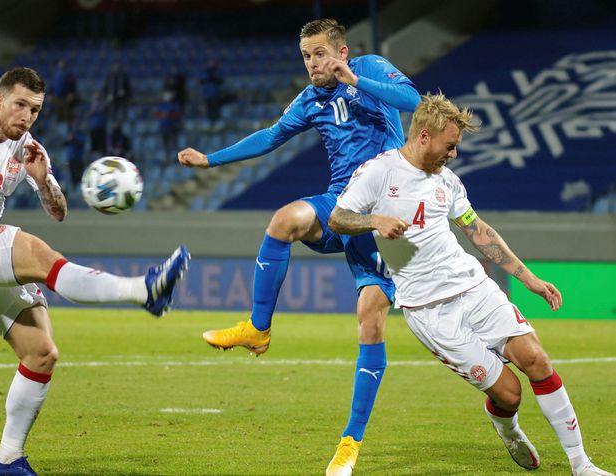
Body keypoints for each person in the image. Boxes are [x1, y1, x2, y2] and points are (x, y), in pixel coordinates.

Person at [0, 67, 191, 476]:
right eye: (20, 106)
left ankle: (8, 460)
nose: (27, 117)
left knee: (41, 353)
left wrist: (44, 182)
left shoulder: (25, 146)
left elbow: (58, 213)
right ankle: (143, 290)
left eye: (35, 109)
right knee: (37, 253)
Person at [178, 18, 420, 475]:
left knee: (370, 323)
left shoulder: (369, 68)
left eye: (320, 54)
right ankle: (258, 327)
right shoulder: (311, 99)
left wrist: (355, 79)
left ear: (342, 52)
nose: (313, 64)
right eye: (306, 56)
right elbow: (270, 137)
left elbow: (414, 102)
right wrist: (210, 159)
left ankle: (350, 442)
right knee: (284, 220)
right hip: (340, 209)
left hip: (388, 210)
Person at [329, 92, 613, 476]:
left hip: (474, 289)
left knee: (537, 360)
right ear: (425, 136)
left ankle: (582, 465)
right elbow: (338, 217)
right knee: (509, 394)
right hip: (428, 312)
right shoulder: (379, 173)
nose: (454, 154)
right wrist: (373, 221)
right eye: (450, 146)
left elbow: (478, 232)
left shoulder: (447, 181)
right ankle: (507, 427)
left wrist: (528, 278)